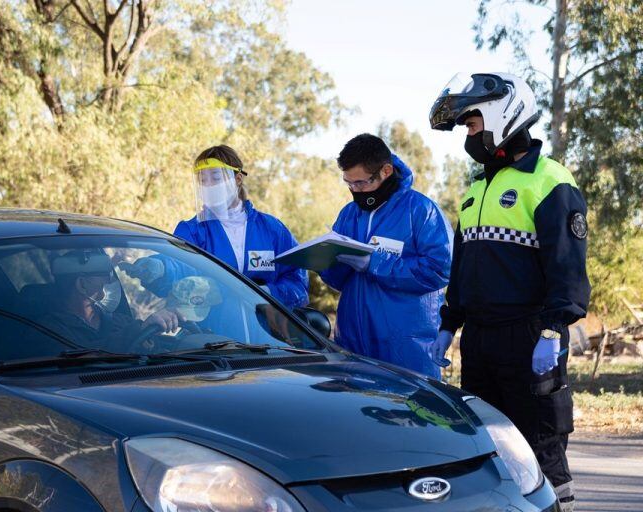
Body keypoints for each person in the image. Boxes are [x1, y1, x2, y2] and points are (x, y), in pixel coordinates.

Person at [428, 72, 590, 512]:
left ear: (503, 113)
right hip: (479, 340)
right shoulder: (474, 192)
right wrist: (449, 324)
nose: (467, 133)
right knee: (487, 448)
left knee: (541, 445)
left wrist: (554, 330)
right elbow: (461, 270)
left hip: (532, 336)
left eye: (471, 123)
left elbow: (567, 266)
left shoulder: (549, 180)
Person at [319, 134, 453, 378]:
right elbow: (337, 280)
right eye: (349, 183)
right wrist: (323, 262)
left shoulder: (422, 211)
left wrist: (375, 262)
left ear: (386, 171)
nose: (355, 191)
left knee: (408, 415)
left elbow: (438, 271)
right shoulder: (349, 214)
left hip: (406, 350)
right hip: (352, 344)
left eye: (361, 183)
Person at [123, 145, 308, 309]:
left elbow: (297, 278)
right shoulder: (193, 231)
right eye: (203, 180)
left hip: (267, 335)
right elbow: (179, 270)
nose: (208, 185)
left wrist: (267, 293)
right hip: (215, 337)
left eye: (216, 178)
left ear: (237, 179)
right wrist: (160, 267)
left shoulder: (271, 229)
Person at [41, 250, 178, 353]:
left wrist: (152, 332)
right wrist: (137, 331)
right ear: (82, 285)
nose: (113, 283)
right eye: (106, 278)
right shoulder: (48, 331)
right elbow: (84, 357)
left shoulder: (120, 321)